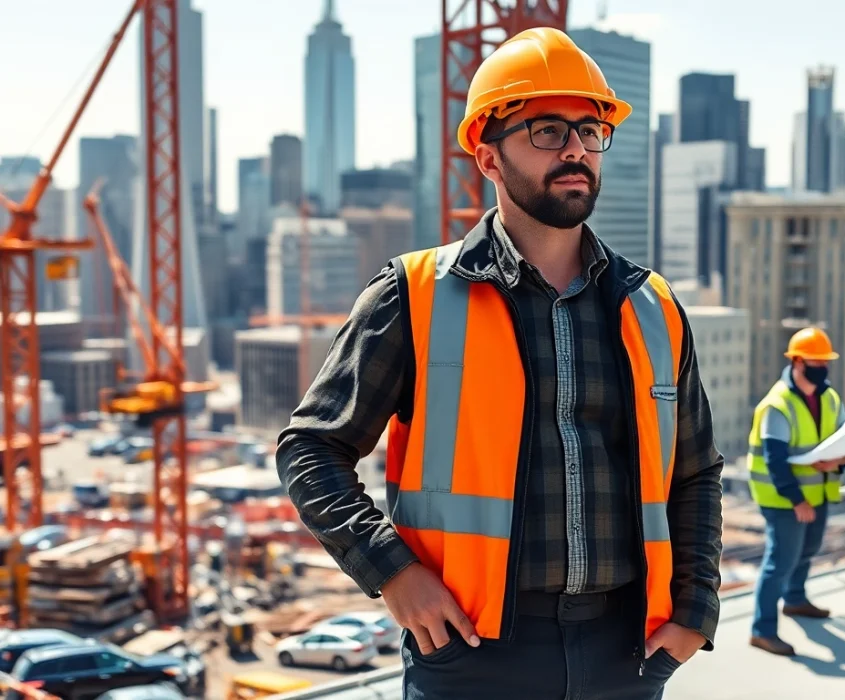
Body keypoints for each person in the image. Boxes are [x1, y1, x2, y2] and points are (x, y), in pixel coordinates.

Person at [276, 27, 724, 700]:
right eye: (546, 130)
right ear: (488, 157)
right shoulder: (415, 296)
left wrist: (696, 611)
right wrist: (393, 573)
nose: (575, 149)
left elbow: (694, 472)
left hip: (625, 654)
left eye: (589, 130)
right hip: (472, 657)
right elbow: (311, 449)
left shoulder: (652, 307)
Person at [746, 327, 845, 656]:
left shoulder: (830, 397)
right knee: (780, 561)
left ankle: (794, 600)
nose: (822, 367)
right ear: (796, 362)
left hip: (817, 492)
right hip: (783, 499)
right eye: (815, 361)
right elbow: (775, 461)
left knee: (809, 549)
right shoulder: (777, 404)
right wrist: (797, 500)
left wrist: (841, 460)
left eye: (825, 361)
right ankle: (762, 630)